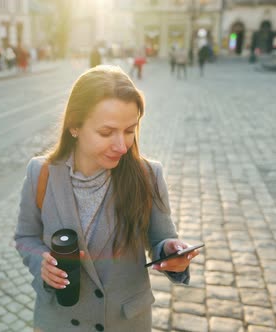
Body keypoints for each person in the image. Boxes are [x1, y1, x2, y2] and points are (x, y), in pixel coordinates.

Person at [15, 65, 197, 331]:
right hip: (59, 322)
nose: (122, 146)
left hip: (125, 323)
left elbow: (160, 241)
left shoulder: (148, 175)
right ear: (74, 126)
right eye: (106, 132)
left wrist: (170, 252)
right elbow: (25, 238)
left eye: (129, 130)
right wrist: (41, 262)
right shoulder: (40, 173)